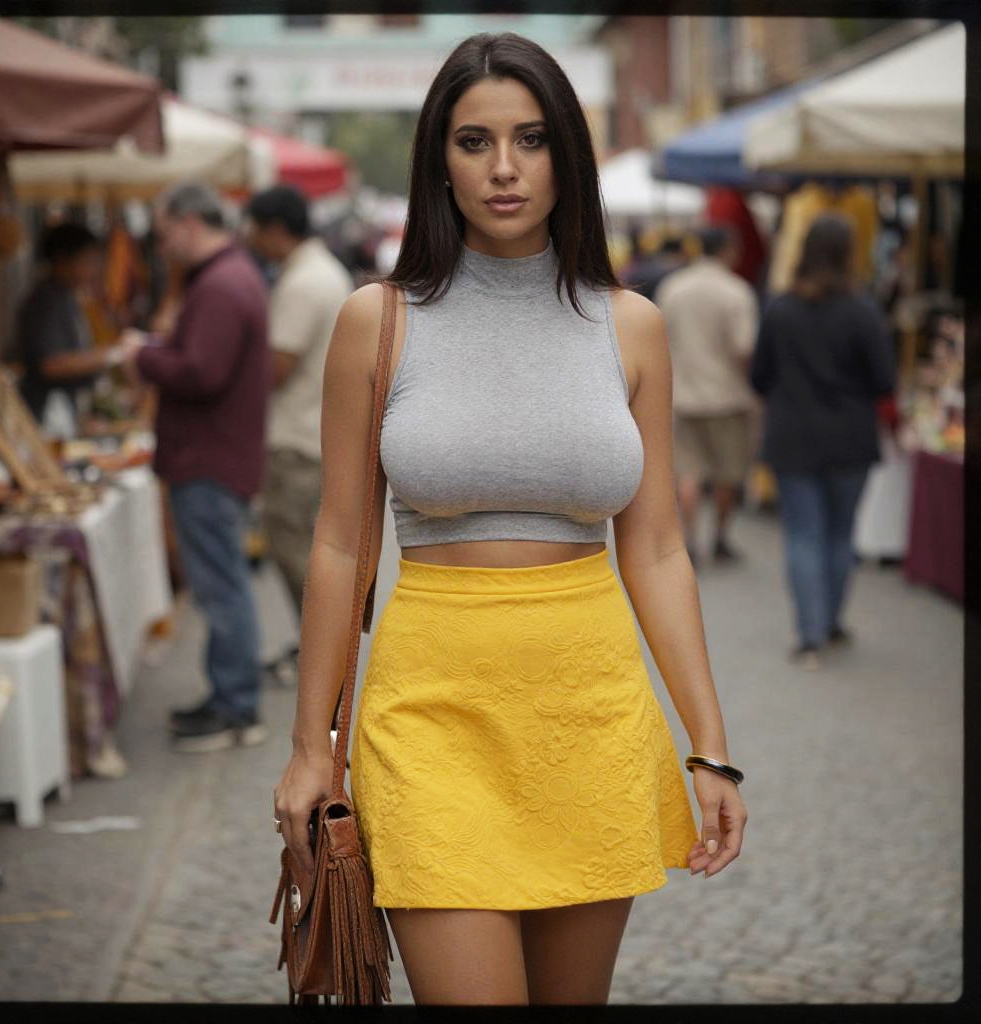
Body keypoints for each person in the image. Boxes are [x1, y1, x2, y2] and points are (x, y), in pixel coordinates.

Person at [273, 32, 747, 1006]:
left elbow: (655, 548)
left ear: (566, 155)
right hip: (429, 715)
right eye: (473, 141)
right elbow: (338, 542)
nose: (502, 168)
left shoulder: (630, 324)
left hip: (590, 713)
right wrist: (308, 744)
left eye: (530, 140)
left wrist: (708, 743)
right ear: (436, 163)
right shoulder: (379, 318)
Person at [120, 182, 271, 751]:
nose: (162, 248)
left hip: (208, 460)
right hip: (213, 457)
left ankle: (236, 707)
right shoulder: (229, 277)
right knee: (221, 584)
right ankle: (229, 698)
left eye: (162, 235)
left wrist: (143, 356)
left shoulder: (222, 283)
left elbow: (201, 372)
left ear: (187, 223)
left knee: (221, 587)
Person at [750, 212, 896, 671]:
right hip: (850, 437)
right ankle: (830, 621)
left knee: (804, 536)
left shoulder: (781, 308)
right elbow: (884, 380)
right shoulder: (862, 309)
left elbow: (759, 376)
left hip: (793, 435)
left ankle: (810, 634)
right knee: (839, 534)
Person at [244, 185, 354, 674]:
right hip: (316, 433)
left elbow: (278, 367)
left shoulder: (304, 282)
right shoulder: (322, 272)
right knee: (311, 552)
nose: (250, 240)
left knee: (297, 554)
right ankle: (319, 647)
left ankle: (320, 651)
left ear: (274, 230)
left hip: (297, 437)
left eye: (254, 229)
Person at [654, 224, 760, 565]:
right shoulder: (737, 292)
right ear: (727, 250)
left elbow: (658, 338)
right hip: (726, 395)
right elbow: (744, 347)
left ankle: (690, 540)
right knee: (726, 473)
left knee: (687, 471)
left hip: (681, 394)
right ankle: (720, 539)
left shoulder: (673, 287)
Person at [16, 222, 125, 429]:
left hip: (66, 410)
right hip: (47, 413)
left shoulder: (67, 296)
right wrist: (111, 355)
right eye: (87, 260)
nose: (94, 269)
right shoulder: (46, 299)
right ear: (62, 260)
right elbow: (50, 365)